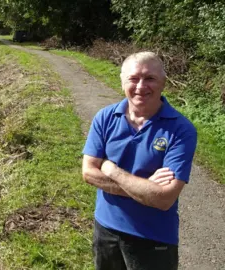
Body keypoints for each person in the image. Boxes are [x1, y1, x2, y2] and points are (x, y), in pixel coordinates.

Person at [82, 52, 197, 270]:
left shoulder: (181, 130)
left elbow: (164, 199)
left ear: (163, 82)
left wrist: (110, 169)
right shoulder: (105, 117)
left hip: (153, 238)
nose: (141, 86)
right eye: (133, 79)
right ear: (123, 81)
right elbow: (88, 173)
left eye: (150, 78)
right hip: (105, 229)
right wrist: (145, 189)